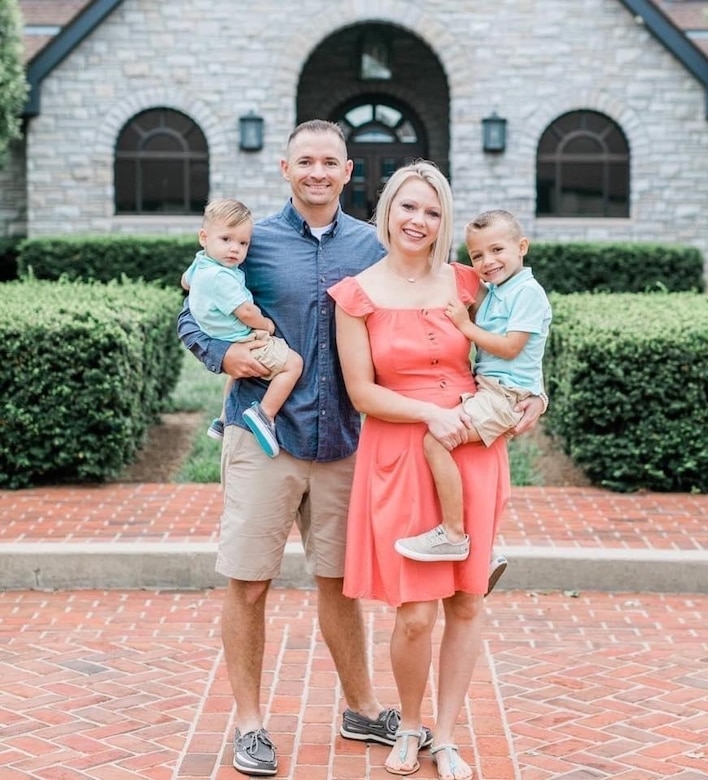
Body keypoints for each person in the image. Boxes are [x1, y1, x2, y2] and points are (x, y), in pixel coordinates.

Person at [178, 120, 440, 777]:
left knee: (340, 583)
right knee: (247, 582)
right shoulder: (250, 241)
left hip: (346, 439)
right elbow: (193, 313)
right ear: (284, 169)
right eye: (306, 161)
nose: (318, 171)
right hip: (263, 436)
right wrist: (226, 353)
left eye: (330, 161)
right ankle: (250, 723)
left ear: (349, 172)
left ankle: (360, 708)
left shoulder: (371, 245)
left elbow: (418, 313)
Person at [328, 162, 546, 779]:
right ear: (387, 211)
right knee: (415, 612)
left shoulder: (468, 282)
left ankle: (446, 735)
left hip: (472, 449)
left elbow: (520, 343)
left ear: (442, 219)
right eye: (407, 207)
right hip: (400, 454)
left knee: (468, 603)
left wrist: (537, 395)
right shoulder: (355, 296)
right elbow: (362, 394)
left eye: (430, 211)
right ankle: (411, 723)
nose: (418, 221)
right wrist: (429, 414)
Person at [393, 210, 551, 579]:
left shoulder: (527, 292)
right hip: (492, 391)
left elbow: (512, 347)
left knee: (436, 442)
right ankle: (485, 549)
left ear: (521, 247)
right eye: (477, 255)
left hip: (505, 396)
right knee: (460, 458)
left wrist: (464, 325)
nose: (487, 262)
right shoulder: (499, 290)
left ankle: (453, 534)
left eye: (497, 250)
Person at [182, 198, 303, 457]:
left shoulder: (201, 264)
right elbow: (246, 312)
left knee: (235, 374)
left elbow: (186, 282)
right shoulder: (222, 277)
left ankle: (224, 418)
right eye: (226, 239)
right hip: (243, 338)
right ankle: (264, 414)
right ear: (204, 237)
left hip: (223, 335)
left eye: (243, 243)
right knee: (293, 365)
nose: (235, 249)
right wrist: (267, 324)